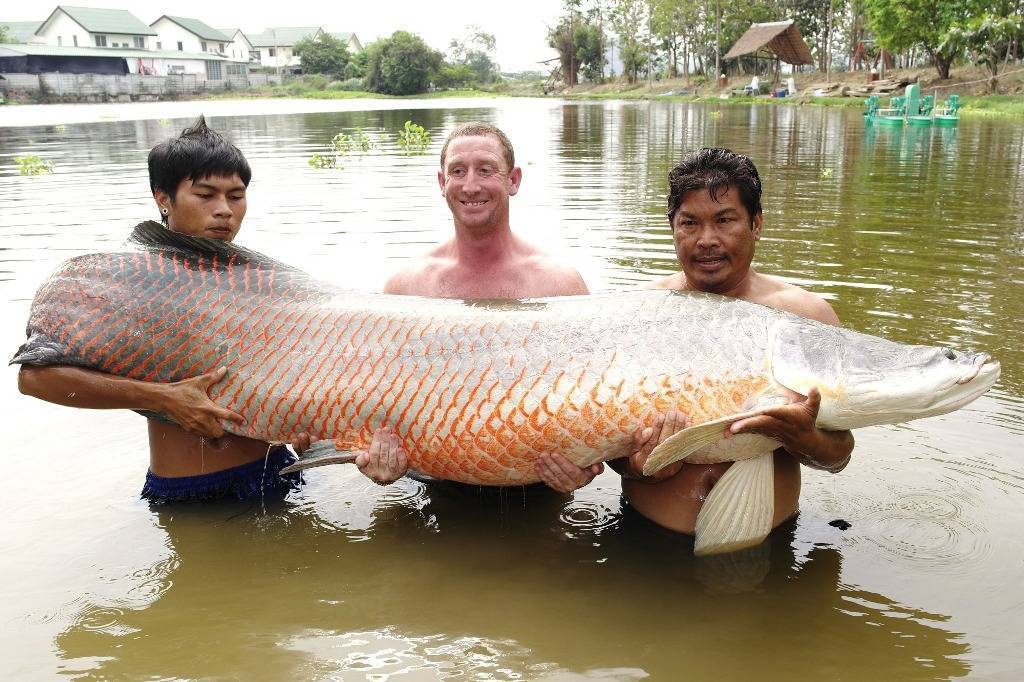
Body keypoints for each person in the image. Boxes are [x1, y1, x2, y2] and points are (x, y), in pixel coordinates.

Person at [536, 147, 854, 536]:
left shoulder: (806, 319)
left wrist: (805, 439)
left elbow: (839, 456)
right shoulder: (636, 315)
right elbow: (611, 444)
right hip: (642, 536)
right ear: (672, 226)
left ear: (756, 224)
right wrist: (645, 466)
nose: (707, 240)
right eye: (690, 222)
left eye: (725, 221)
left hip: (770, 540)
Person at [16, 117, 313, 503]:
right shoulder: (124, 282)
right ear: (163, 198)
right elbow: (35, 378)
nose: (224, 210)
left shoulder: (259, 280)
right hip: (192, 491)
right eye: (205, 195)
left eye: (235, 196)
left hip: (279, 472)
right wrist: (164, 398)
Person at [358, 121, 599, 489]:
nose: (471, 185)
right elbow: (375, 401)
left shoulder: (560, 284)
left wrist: (586, 467)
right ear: (442, 183)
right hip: (434, 481)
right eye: (458, 171)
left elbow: (592, 398)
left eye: (485, 170)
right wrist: (375, 455)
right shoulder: (405, 288)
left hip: (536, 480)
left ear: (513, 180)